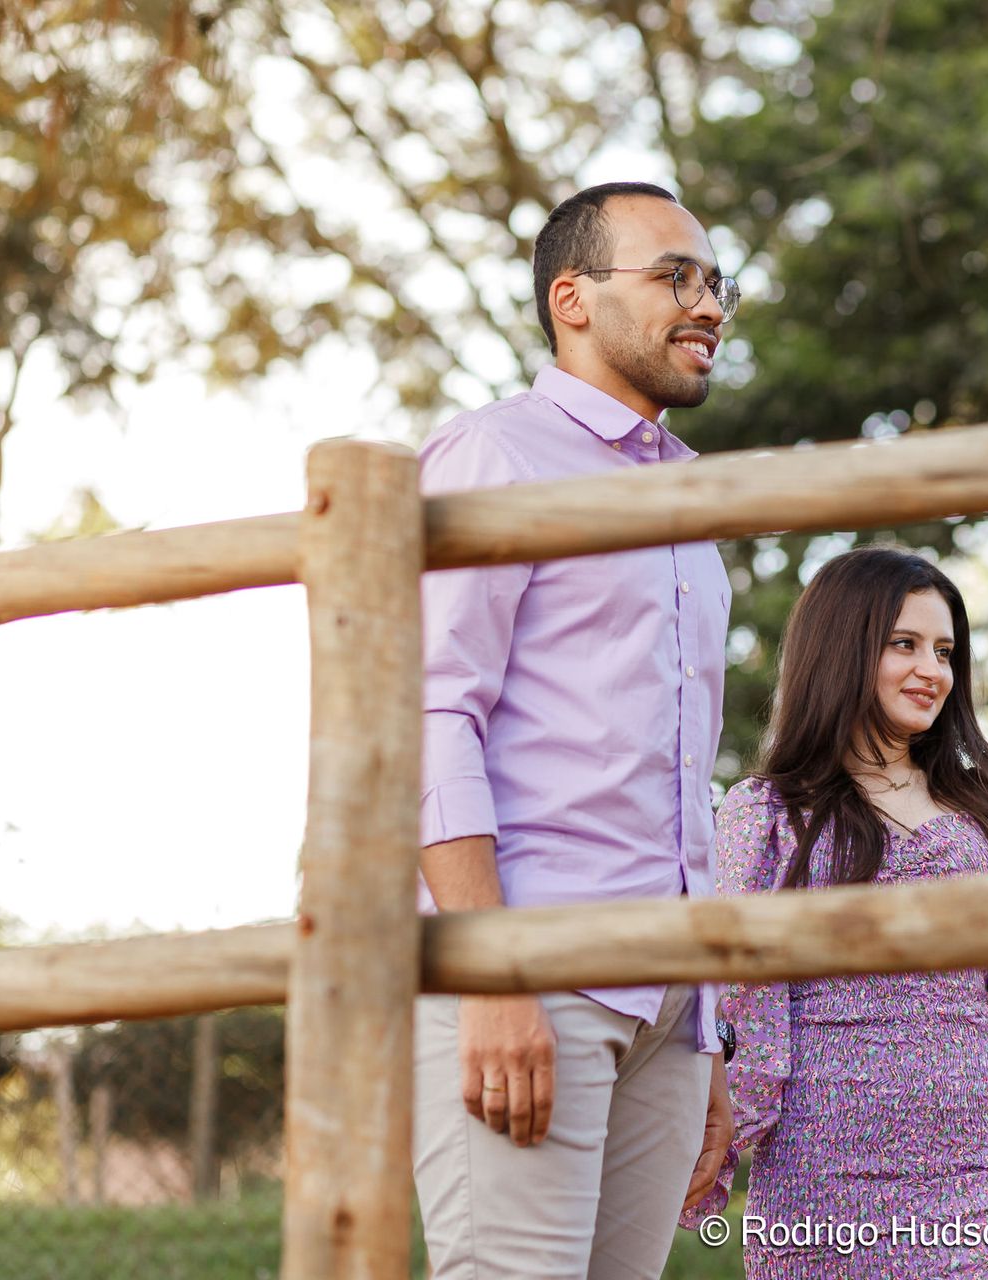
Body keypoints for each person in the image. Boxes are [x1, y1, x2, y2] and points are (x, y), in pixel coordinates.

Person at [413, 181, 740, 1279]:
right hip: (532, 965)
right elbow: (429, 713)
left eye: (716, 282)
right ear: (574, 298)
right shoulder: (492, 456)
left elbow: (688, 776)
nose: (707, 303)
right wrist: (491, 973)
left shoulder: (693, 505)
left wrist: (706, 1031)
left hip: (669, 996)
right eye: (674, 276)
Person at [684, 546, 988, 1279]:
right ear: (842, 647)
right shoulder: (765, 814)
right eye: (905, 644)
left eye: (946, 651)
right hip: (822, 1185)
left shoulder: (979, 811)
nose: (933, 670)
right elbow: (734, 1000)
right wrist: (710, 1140)